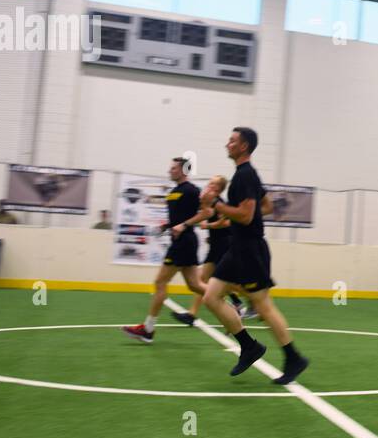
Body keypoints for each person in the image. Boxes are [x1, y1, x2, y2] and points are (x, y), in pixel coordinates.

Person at [198, 127, 309, 382]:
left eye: (232, 140)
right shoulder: (244, 176)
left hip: (250, 250)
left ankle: (294, 358)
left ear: (244, 146)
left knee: (263, 306)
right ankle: (249, 346)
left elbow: (247, 216)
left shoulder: (245, 176)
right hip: (236, 248)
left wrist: (215, 204)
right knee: (211, 296)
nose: (228, 143)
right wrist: (232, 211)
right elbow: (266, 206)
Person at [122, 158, 209, 343]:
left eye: (174, 168)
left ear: (183, 171)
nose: (169, 171)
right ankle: (229, 307)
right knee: (194, 285)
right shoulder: (174, 192)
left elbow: (205, 213)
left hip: (183, 242)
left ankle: (148, 329)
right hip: (180, 241)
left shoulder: (192, 190)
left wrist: (183, 225)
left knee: (160, 282)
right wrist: (167, 226)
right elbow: (179, 216)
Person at [174, 175, 245, 325]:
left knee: (220, 281)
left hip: (223, 245)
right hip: (215, 245)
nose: (209, 185)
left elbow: (226, 223)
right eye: (210, 182)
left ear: (219, 188)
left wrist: (208, 226)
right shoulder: (211, 202)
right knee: (203, 281)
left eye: (213, 183)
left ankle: (249, 299)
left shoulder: (219, 203)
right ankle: (192, 315)